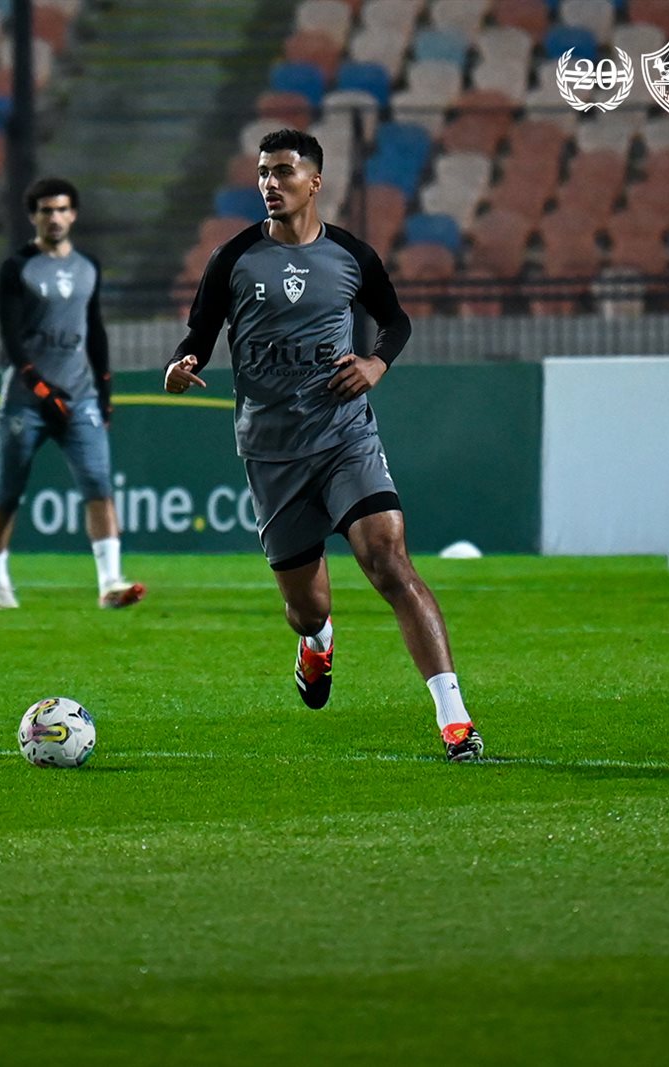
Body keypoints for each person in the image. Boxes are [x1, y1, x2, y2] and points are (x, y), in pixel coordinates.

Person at [163, 129, 484, 762]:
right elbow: (199, 333)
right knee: (307, 610)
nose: (270, 182)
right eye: (264, 171)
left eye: (284, 171)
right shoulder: (233, 258)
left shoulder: (351, 256)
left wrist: (376, 364)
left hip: (345, 436)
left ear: (315, 182)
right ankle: (317, 643)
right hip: (273, 452)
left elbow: (396, 321)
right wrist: (184, 362)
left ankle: (455, 719)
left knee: (390, 561)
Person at [0, 176, 146, 611]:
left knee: (99, 486)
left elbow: (95, 330)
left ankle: (110, 584)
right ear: (33, 216)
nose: (54, 218)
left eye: (61, 209)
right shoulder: (17, 268)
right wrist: (40, 388)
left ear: (73, 215)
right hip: (25, 401)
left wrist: (104, 391)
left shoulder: (88, 266)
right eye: (46, 211)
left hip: (79, 396)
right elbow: (11, 340)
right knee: (8, 493)